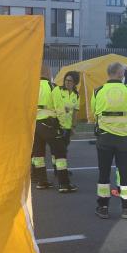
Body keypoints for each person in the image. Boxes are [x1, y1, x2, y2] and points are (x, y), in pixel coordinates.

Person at [91, 62, 127, 219]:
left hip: (104, 138)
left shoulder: (98, 91)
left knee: (103, 174)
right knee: (125, 174)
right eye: (123, 72)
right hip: (123, 140)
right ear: (120, 74)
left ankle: (103, 207)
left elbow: (94, 112)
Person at [31, 65, 77, 193]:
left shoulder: (32, 86)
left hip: (35, 124)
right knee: (60, 153)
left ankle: (42, 181)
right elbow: (60, 108)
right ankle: (64, 184)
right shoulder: (53, 87)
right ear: (47, 72)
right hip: (49, 123)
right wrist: (63, 126)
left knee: (39, 154)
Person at [51, 71, 80, 173]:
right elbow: (52, 105)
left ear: (75, 82)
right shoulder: (57, 90)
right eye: (66, 80)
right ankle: (61, 170)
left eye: (70, 81)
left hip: (67, 128)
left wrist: (73, 127)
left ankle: (57, 168)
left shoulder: (76, 95)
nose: (67, 82)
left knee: (62, 149)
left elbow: (75, 112)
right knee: (60, 150)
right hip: (56, 125)